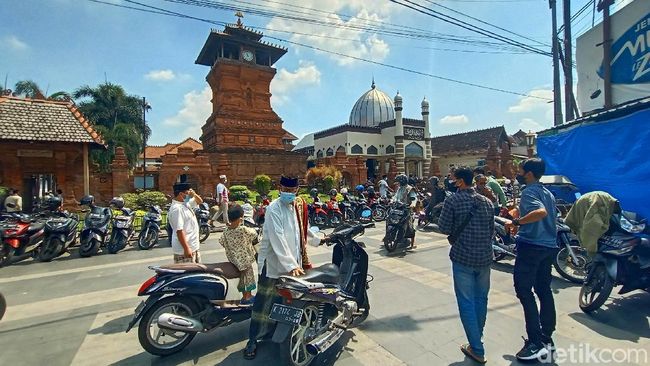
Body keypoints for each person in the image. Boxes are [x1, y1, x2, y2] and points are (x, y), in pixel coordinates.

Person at [244, 176, 327, 360]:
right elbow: (277, 238)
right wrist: (290, 265)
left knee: (285, 301)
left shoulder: (297, 205)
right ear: (279, 187)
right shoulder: (274, 208)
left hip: (293, 264)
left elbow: (302, 228)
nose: (289, 194)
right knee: (263, 304)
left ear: (297, 189)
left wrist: (318, 239)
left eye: (293, 191)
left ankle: (276, 332)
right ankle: (252, 340)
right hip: (273, 264)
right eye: (286, 190)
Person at [438, 167, 494, 364]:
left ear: (460, 181)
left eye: (453, 179)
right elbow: (491, 232)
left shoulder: (452, 200)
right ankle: (476, 339)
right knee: (481, 299)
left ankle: (477, 348)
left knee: (466, 302)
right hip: (485, 258)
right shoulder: (486, 202)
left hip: (463, 258)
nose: (451, 182)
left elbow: (444, 228)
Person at [505, 158, 558, 361]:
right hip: (549, 246)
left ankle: (535, 342)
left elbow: (540, 213)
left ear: (528, 173)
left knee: (524, 291)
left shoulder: (529, 191)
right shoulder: (547, 193)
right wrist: (520, 212)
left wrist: (517, 221)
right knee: (544, 290)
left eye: (520, 170)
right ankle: (547, 335)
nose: (518, 173)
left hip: (531, 246)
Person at [219, 205, 258, 304]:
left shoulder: (226, 231)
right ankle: (248, 298)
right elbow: (254, 234)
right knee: (248, 278)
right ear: (241, 218)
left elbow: (222, 241)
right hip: (245, 260)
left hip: (234, 261)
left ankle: (244, 296)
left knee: (241, 279)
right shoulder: (243, 230)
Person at [168, 182, 204, 263]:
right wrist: (186, 248)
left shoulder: (185, 203)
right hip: (184, 251)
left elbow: (200, 201)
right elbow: (179, 231)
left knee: (197, 273)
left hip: (193, 247)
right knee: (188, 274)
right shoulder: (177, 209)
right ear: (181, 194)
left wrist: (194, 194)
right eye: (187, 193)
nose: (189, 195)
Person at [392, 174, 418, 249]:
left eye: (399, 181)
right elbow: (395, 196)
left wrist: (412, 204)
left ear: (402, 181)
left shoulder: (410, 189)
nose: (397, 183)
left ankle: (412, 243)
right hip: (398, 208)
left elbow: (414, 198)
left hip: (407, 209)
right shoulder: (400, 188)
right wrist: (392, 200)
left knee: (410, 226)